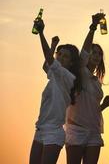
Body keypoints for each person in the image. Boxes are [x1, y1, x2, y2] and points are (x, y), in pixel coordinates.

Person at [29, 19, 81, 164]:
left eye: (65, 56)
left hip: (54, 131)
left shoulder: (67, 77)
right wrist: (53, 46)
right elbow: (47, 65)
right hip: (40, 129)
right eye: (60, 54)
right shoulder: (54, 73)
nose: (61, 57)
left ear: (71, 62)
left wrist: (41, 33)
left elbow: (49, 60)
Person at [65, 13, 109, 164]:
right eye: (94, 52)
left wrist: (104, 105)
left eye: (100, 54)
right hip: (76, 129)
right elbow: (83, 52)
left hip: (94, 131)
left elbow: (91, 109)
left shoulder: (96, 82)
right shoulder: (80, 73)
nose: (97, 55)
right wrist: (93, 28)